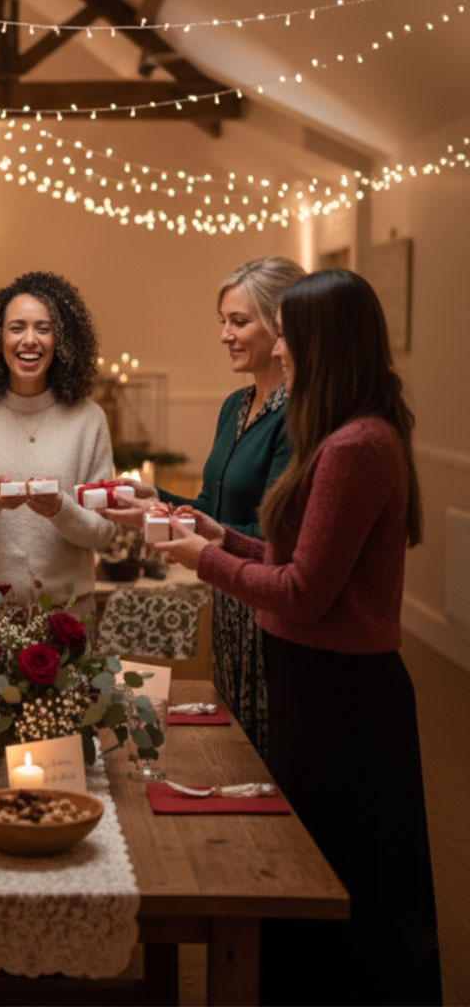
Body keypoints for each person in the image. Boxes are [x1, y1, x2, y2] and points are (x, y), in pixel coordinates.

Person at [156, 269, 441, 1006]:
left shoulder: (353, 446)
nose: (280, 349)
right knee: (312, 862)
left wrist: (204, 559)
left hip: (342, 693)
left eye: (288, 333)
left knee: (337, 872)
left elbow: (303, 595)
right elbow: (299, 564)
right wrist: (219, 535)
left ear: (324, 342)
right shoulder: (347, 433)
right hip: (319, 679)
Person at [105, 255, 304, 760]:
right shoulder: (234, 407)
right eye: (223, 322)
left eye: (239, 322)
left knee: (270, 753)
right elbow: (212, 509)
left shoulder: (299, 416)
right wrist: (158, 502)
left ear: (282, 326)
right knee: (236, 745)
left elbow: (272, 537)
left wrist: (198, 540)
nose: (225, 335)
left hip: (270, 611)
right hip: (228, 607)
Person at [0, 271, 115, 633]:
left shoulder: (89, 419)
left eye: (44, 328)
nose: (30, 340)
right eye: (16, 327)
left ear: (63, 340)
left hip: (67, 612)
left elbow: (103, 532)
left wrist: (60, 509)